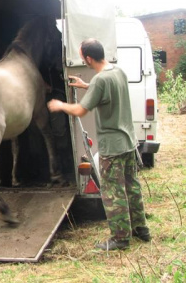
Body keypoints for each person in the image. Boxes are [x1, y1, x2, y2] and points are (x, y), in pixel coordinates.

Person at [47, 38, 151, 251]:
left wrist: (60, 105)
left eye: (82, 56)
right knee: (132, 187)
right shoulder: (117, 72)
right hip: (129, 142)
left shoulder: (100, 80)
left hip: (112, 147)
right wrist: (86, 86)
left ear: (88, 58)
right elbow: (105, 93)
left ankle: (120, 238)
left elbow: (80, 111)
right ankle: (141, 228)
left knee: (113, 192)